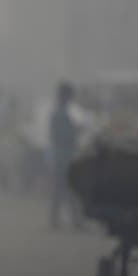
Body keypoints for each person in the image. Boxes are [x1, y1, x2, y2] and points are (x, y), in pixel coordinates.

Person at [48, 81, 82, 229]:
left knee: (61, 189)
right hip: (64, 156)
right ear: (65, 96)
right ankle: (74, 221)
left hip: (61, 156)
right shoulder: (60, 114)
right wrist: (76, 130)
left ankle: (57, 220)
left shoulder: (59, 112)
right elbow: (63, 135)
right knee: (69, 189)